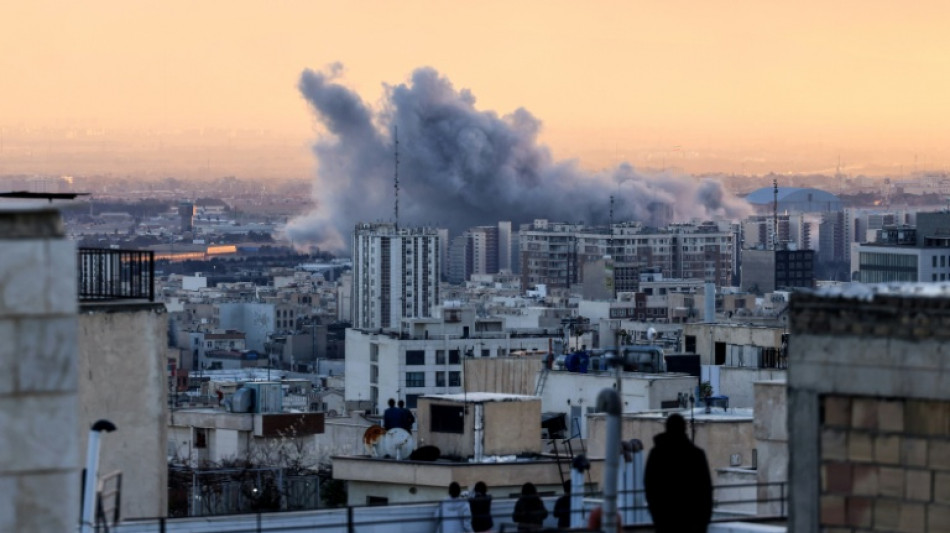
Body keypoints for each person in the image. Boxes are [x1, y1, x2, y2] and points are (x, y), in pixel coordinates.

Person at [644, 413, 713, 533]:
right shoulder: (696, 455)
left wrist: (656, 513)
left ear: (667, 427)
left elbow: (649, 484)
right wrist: (703, 520)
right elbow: (705, 489)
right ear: (684, 428)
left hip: (665, 518)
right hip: (692, 520)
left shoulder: (657, 454)